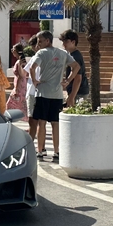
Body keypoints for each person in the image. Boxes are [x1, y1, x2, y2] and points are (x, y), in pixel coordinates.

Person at [28, 30, 80, 161]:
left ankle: (40, 150)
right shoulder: (63, 53)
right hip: (57, 93)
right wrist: (68, 80)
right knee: (56, 123)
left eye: (40, 41)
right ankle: (57, 151)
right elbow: (76, 66)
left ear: (47, 41)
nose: (38, 44)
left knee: (42, 122)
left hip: (43, 92)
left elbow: (32, 68)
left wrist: (35, 81)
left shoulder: (41, 53)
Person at [59, 29, 89, 107]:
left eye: (66, 41)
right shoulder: (72, 55)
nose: (64, 44)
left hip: (79, 93)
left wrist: (72, 96)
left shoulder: (75, 56)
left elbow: (78, 78)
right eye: (63, 42)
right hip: (77, 92)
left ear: (73, 42)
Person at [24, 36, 40, 140]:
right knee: (39, 122)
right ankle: (41, 146)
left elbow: (25, 72)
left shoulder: (36, 57)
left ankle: (31, 142)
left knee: (32, 120)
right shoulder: (45, 57)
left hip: (32, 91)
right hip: (39, 92)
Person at [6, 43, 28, 121]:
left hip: (20, 85)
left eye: (13, 50)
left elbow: (20, 76)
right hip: (22, 84)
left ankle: (10, 118)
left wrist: (16, 88)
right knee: (21, 103)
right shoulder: (22, 61)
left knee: (10, 103)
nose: (12, 52)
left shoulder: (19, 62)